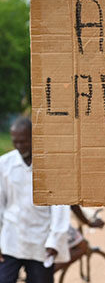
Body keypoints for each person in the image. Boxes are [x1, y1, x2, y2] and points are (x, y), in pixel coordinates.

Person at [0, 117, 70, 283]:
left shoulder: (51, 165)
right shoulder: (4, 164)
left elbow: (60, 206)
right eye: (15, 142)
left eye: (23, 142)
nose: (19, 146)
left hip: (41, 243)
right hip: (12, 240)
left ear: (34, 138)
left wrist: (55, 241)